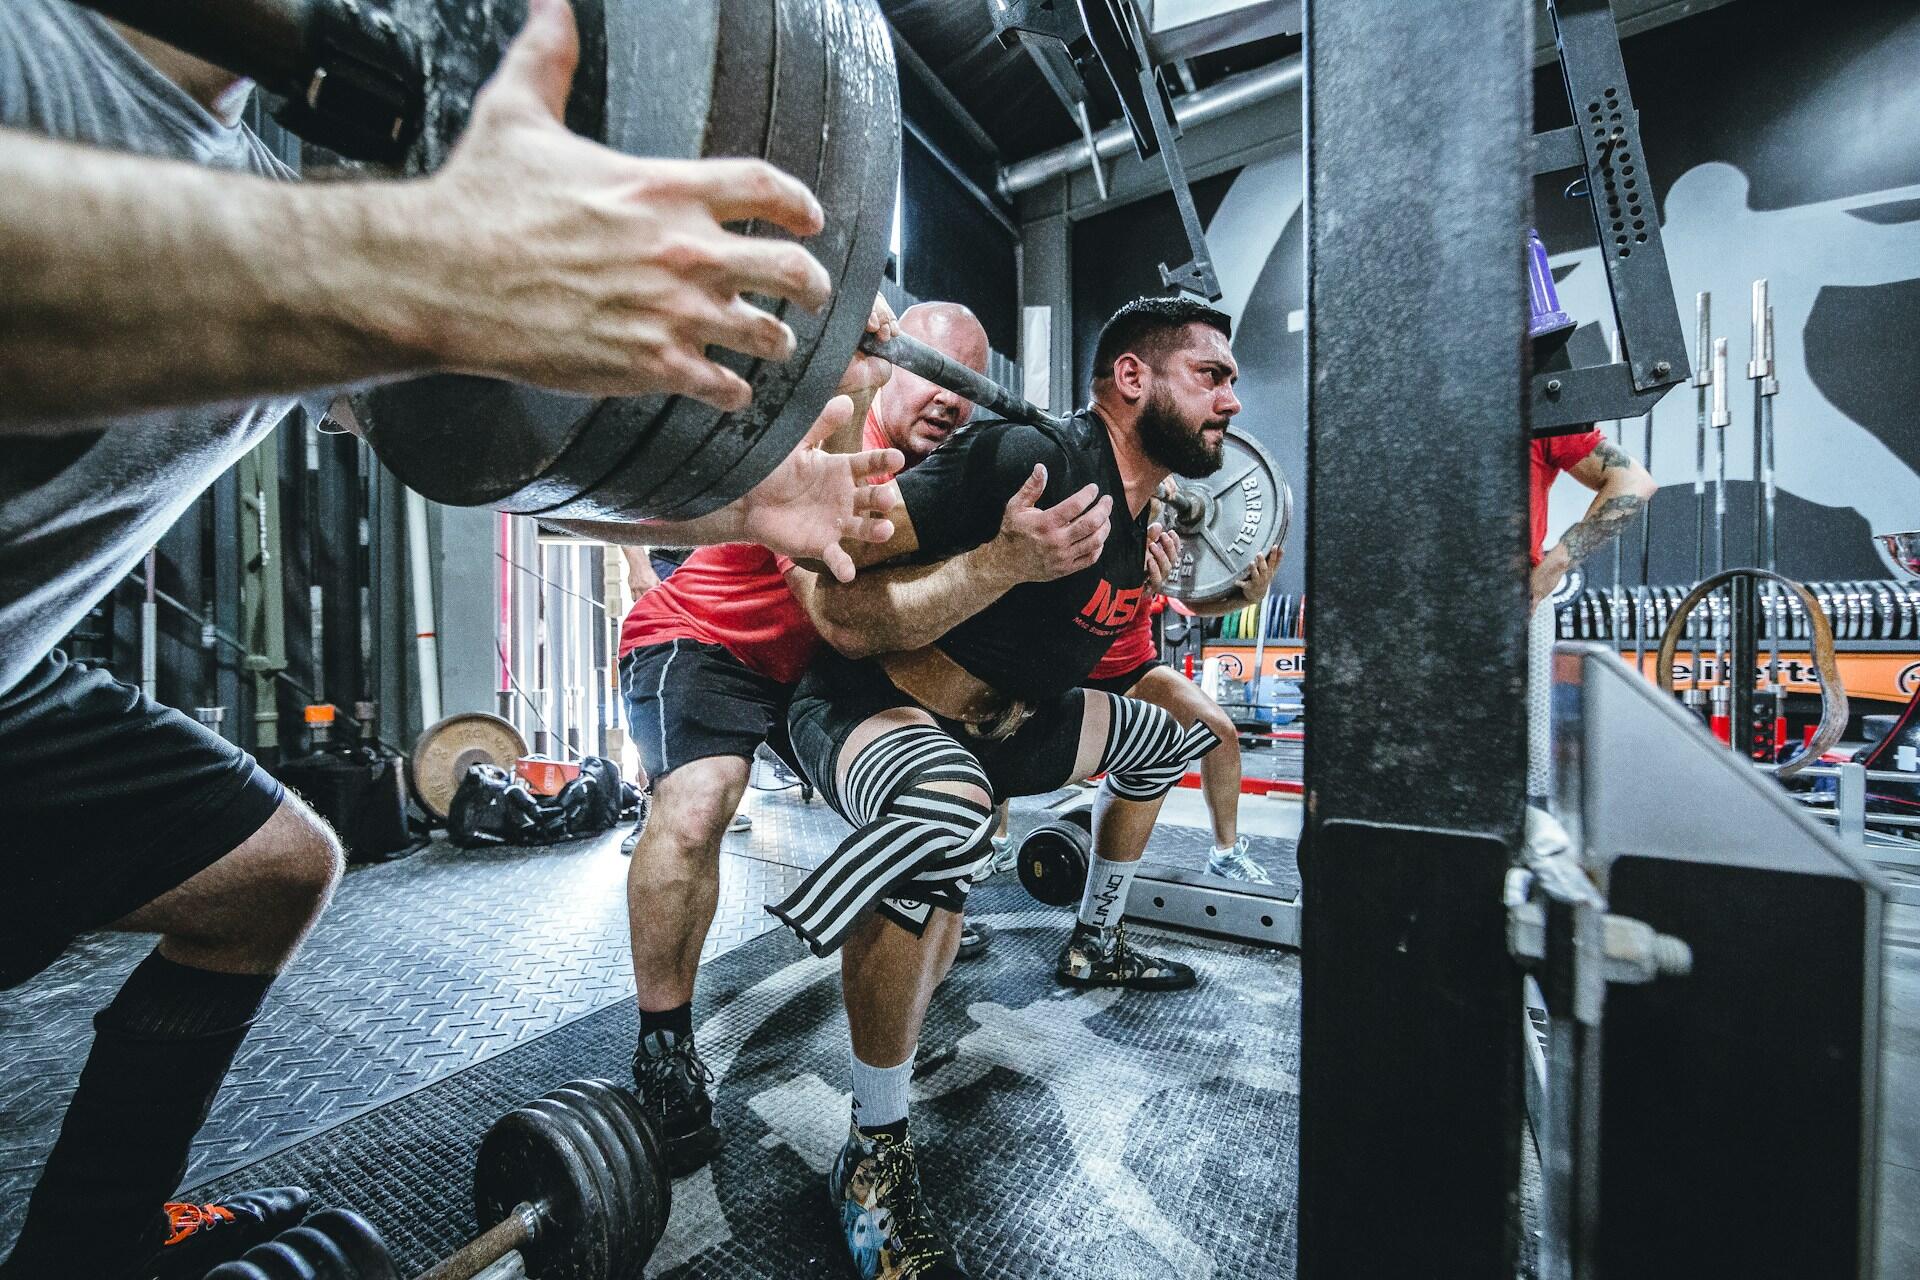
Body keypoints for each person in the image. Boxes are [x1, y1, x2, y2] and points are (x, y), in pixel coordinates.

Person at [0, 3, 888, 1276]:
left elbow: (456, 448)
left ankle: (86, 1245)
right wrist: (418, 266)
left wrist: (747, 501)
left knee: (265, 871)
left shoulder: (273, 176)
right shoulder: (40, 51)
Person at [780, 295, 1246, 1280]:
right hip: (873, 700)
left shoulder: (1139, 514)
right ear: (1132, 378)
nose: (1232, 401)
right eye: (1212, 373)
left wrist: (1152, 571)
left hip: (1009, 728)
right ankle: (871, 1150)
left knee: (1174, 739)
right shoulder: (1023, 459)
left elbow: (1087, 642)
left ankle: (1095, 939)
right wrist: (1000, 561)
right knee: (940, 811)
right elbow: (839, 585)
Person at [612, 300, 1113, 1176]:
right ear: (893, 364)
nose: (952, 400)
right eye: (934, 371)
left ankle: (898, 1023)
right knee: (700, 804)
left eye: (968, 383)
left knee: (952, 810)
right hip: (707, 641)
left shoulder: (945, 476)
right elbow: (838, 611)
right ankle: (662, 1045)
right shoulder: (837, 440)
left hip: (813, 684)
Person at [1080, 540, 1283, 883]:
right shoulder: (1087, 521)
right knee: (993, 716)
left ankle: (1225, 855)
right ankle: (997, 843)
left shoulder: (1159, 533)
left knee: (1219, 733)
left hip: (1135, 669)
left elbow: (1185, 600)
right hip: (1069, 670)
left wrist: (1246, 597)